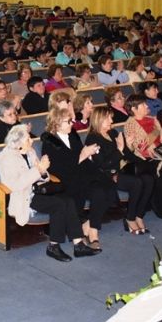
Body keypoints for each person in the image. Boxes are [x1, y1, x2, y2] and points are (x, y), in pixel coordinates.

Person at [0, 125, 97, 262]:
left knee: (68, 200)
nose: (32, 142)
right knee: (59, 204)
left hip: (39, 190)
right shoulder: (6, 158)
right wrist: (38, 170)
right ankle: (53, 246)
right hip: (23, 196)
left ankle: (78, 243)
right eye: (28, 139)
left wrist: (43, 172)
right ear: (18, 143)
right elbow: (15, 185)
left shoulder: (30, 151)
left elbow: (45, 176)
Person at [41, 107, 114, 249]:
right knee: (96, 190)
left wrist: (89, 157)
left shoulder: (72, 134)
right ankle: (92, 230)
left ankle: (90, 226)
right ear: (56, 125)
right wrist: (82, 156)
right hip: (65, 180)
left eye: (71, 120)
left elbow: (82, 157)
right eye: (67, 121)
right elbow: (57, 169)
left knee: (106, 188)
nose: (71, 124)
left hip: (82, 174)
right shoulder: (49, 141)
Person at [85, 107, 153, 235]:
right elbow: (102, 164)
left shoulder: (113, 132)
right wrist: (120, 150)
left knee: (148, 178)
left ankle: (139, 215)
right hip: (107, 175)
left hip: (120, 170)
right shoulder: (92, 138)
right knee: (136, 182)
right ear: (99, 120)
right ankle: (130, 218)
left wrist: (142, 161)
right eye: (108, 118)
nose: (112, 120)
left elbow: (126, 154)